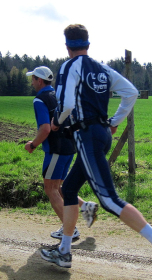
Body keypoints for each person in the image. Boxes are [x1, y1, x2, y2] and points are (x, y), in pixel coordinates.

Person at [40, 24, 152, 280]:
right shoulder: (102, 69)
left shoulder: (69, 66)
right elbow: (131, 92)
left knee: (108, 199)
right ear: (88, 44)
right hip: (101, 134)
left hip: (86, 135)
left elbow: (67, 103)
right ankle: (64, 251)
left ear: (67, 46)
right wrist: (114, 122)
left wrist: (57, 122)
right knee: (69, 190)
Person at [25, 66, 98, 239]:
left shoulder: (39, 100)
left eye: (33, 79)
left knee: (50, 190)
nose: (32, 82)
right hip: (69, 147)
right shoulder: (59, 95)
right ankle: (86, 207)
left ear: (40, 81)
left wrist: (33, 145)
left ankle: (70, 229)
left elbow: (45, 129)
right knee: (60, 187)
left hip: (56, 150)